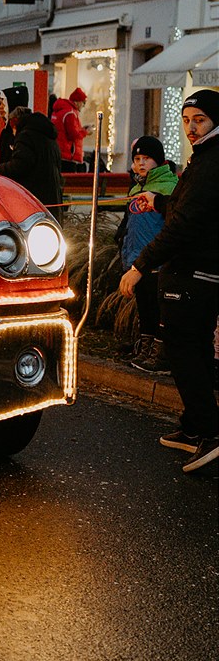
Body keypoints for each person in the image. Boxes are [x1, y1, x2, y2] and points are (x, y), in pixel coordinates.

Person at [119, 89, 219, 474]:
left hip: (195, 270)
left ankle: (209, 432)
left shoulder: (211, 162)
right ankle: (195, 426)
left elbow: (186, 225)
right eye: (188, 120)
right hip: (196, 268)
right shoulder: (204, 158)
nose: (192, 128)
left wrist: (140, 265)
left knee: (183, 348)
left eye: (201, 120)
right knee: (190, 348)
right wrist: (157, 202)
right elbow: (185, 208)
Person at [117, 135, 177, 369]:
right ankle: (145, 345)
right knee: (144, 306)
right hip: (136, 258)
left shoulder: (168, 187)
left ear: (159, 161)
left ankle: (159, 352)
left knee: (157, 306)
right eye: (137, 158)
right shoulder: (135, 187)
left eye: (147, 158)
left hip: (157, 260)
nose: (141, 163)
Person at [1, 107, 64, 216]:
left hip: (34, 197)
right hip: (51, 196)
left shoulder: (26, 136)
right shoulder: (47, 134)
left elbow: (21, 165)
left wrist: (0, 168)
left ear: (15, 121)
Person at [52, 86, 88, 169]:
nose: (83, 105)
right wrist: (85, 132)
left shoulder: (60, 110)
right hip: (68, 155)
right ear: (77, 102)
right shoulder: (70, 113)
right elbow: (73, 135)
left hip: (59, 152)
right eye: (83, 103)